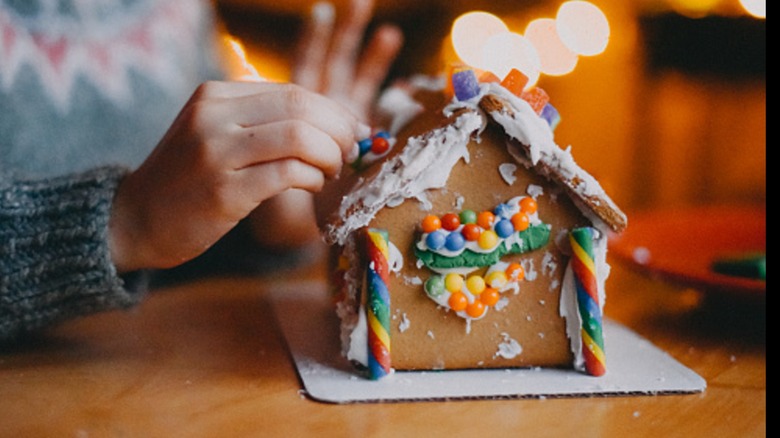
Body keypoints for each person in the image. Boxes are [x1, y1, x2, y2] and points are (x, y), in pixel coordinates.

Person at [0, 0, 403, 342]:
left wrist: (264, 218)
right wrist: (122, 222)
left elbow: (179, 213)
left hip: (153, 372)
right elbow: (146, 221)